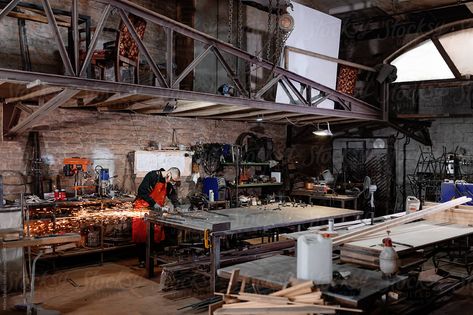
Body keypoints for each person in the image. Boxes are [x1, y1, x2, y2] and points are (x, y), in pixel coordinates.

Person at [133, 167, 181, 268]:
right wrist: (154, 204)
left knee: (157, 234)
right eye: (172, 181)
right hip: (143, 208)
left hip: (155, 210)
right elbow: (142, 192)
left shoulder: (167, 183)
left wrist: (177, 206)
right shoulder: (152, 176)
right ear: (168, 174)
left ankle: (158, 259)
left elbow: (172, 194)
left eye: (174, 182)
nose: (172, 183)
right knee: (142, 235)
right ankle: (143, 260)